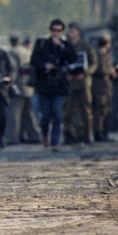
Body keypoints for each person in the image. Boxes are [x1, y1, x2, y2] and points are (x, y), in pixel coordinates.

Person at [30, 18, 78, 151]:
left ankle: (55, 142)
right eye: (54, 30)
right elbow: (33, 60)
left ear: (62, 31)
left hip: (58, 85)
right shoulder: (42, 44)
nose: (56, 33)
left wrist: (61, 47)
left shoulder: (65, 45)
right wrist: (44, 65)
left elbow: (73, 58)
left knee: (57, 115)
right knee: (45, 116)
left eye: (58, 30)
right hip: (44, 85)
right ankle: (45, 134)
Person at [63, 23, 97, 145]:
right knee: (67, 109)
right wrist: (66, 74)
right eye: (70, 30)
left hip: (83, 82)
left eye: (73, 30)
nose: (71, 33)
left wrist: (85, 73)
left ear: (78, 32)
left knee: (85, 109)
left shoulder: (85, 46)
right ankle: (68, 134)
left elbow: (94, 63)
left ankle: (87, 134)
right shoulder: (65, 46)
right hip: (69, 83)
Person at [7, 32, 40, 145]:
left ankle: (13, 138)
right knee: (29, 113)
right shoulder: (27, 51)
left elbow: (13, 69)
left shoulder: (12, 52)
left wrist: (10, 83)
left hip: (18, 86)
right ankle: (34, 135)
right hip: (29, 86)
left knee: (15, 114)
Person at [91, 36, 116, 142]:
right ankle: (99, 133)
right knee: (100, 111)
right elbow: (101, 70)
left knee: (105, 110)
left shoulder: (103, 54)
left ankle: (103, 133)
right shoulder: (100, 54)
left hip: (105, 86)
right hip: (101, 86)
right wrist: (110, 71)